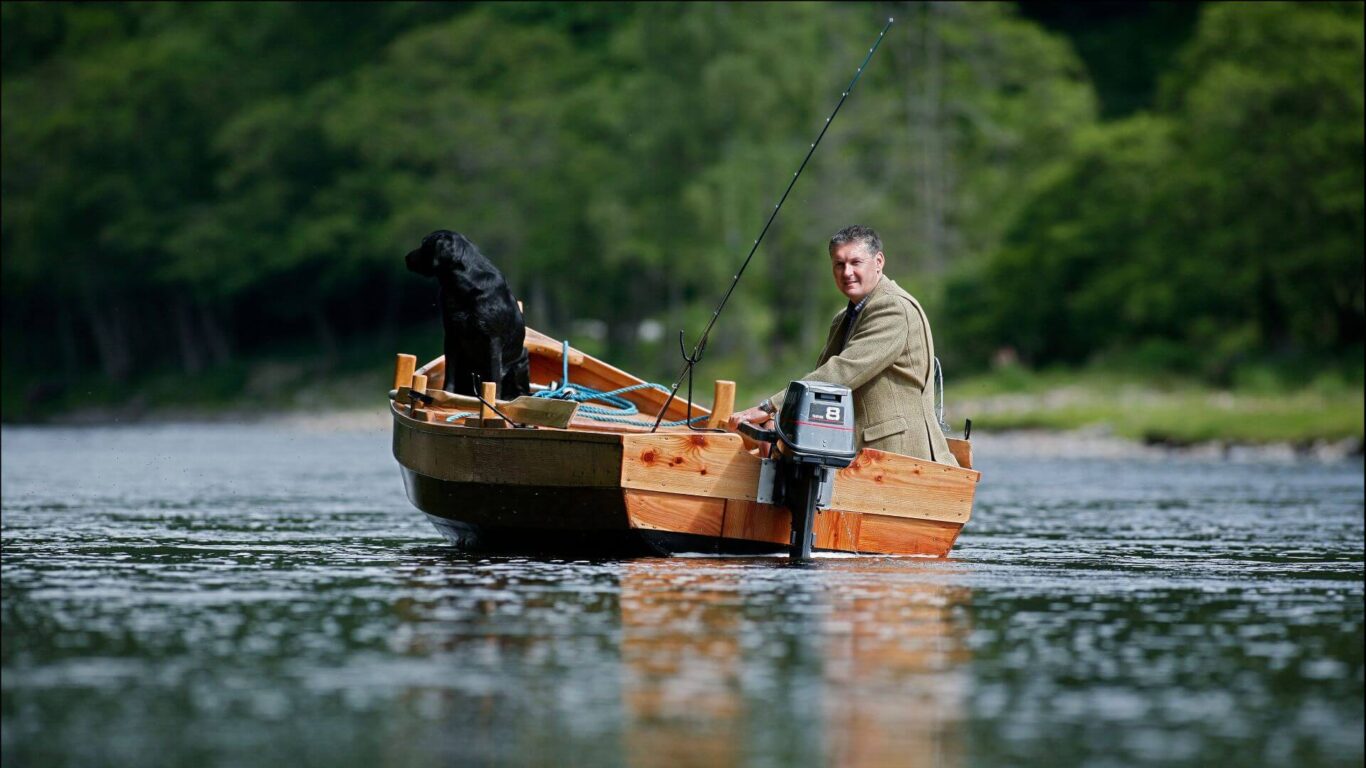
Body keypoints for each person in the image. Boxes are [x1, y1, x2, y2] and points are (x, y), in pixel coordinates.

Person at [726, 225, 958, 466]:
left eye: (856, 262)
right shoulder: (845, 317)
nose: (847, 272)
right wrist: (783, 421)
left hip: (902, 458)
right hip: (862, 457)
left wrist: (773, 407)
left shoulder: (893, 309)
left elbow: (842, 372)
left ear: (878, 261)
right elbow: (823, 385)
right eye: (839, 264)